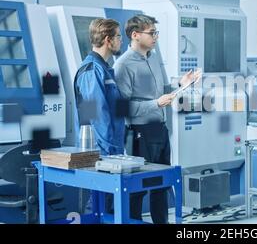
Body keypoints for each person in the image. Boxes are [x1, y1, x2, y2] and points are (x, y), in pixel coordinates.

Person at [114, 14, 200, 223]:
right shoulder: (123, 65)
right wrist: (156, 103)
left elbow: (162, 91)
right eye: (151, 33)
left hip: (159, 130)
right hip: (139, 133)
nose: (156, 37)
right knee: (138, 188)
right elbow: (123, 108)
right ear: (135, 35)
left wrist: (181, 84)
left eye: (156, 32)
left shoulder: (153, 57)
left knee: (161, 184)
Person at [74, 18, 125, 156]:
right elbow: (96, 116)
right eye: (119, 36)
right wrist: (108, 154)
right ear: (108, 40)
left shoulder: (104, 69)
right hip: (99, 151)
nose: (121, 40)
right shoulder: (91, 70)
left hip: (112, 148)